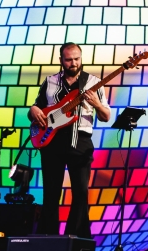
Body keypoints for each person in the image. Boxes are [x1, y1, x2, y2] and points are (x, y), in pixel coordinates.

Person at [29, 43, 111, 239]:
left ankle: (76, 239)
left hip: (80, 142)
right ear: (61, 60)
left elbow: (106, 116)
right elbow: (37, 107)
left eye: (77, 59)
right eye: (68, 60)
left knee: (81, 192)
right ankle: (47, 238)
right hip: (51, 141)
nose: (73, 63)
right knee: (51, 193)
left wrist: (97, 104)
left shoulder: (93, 82)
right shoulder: (50, 81)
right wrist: (33, 110)